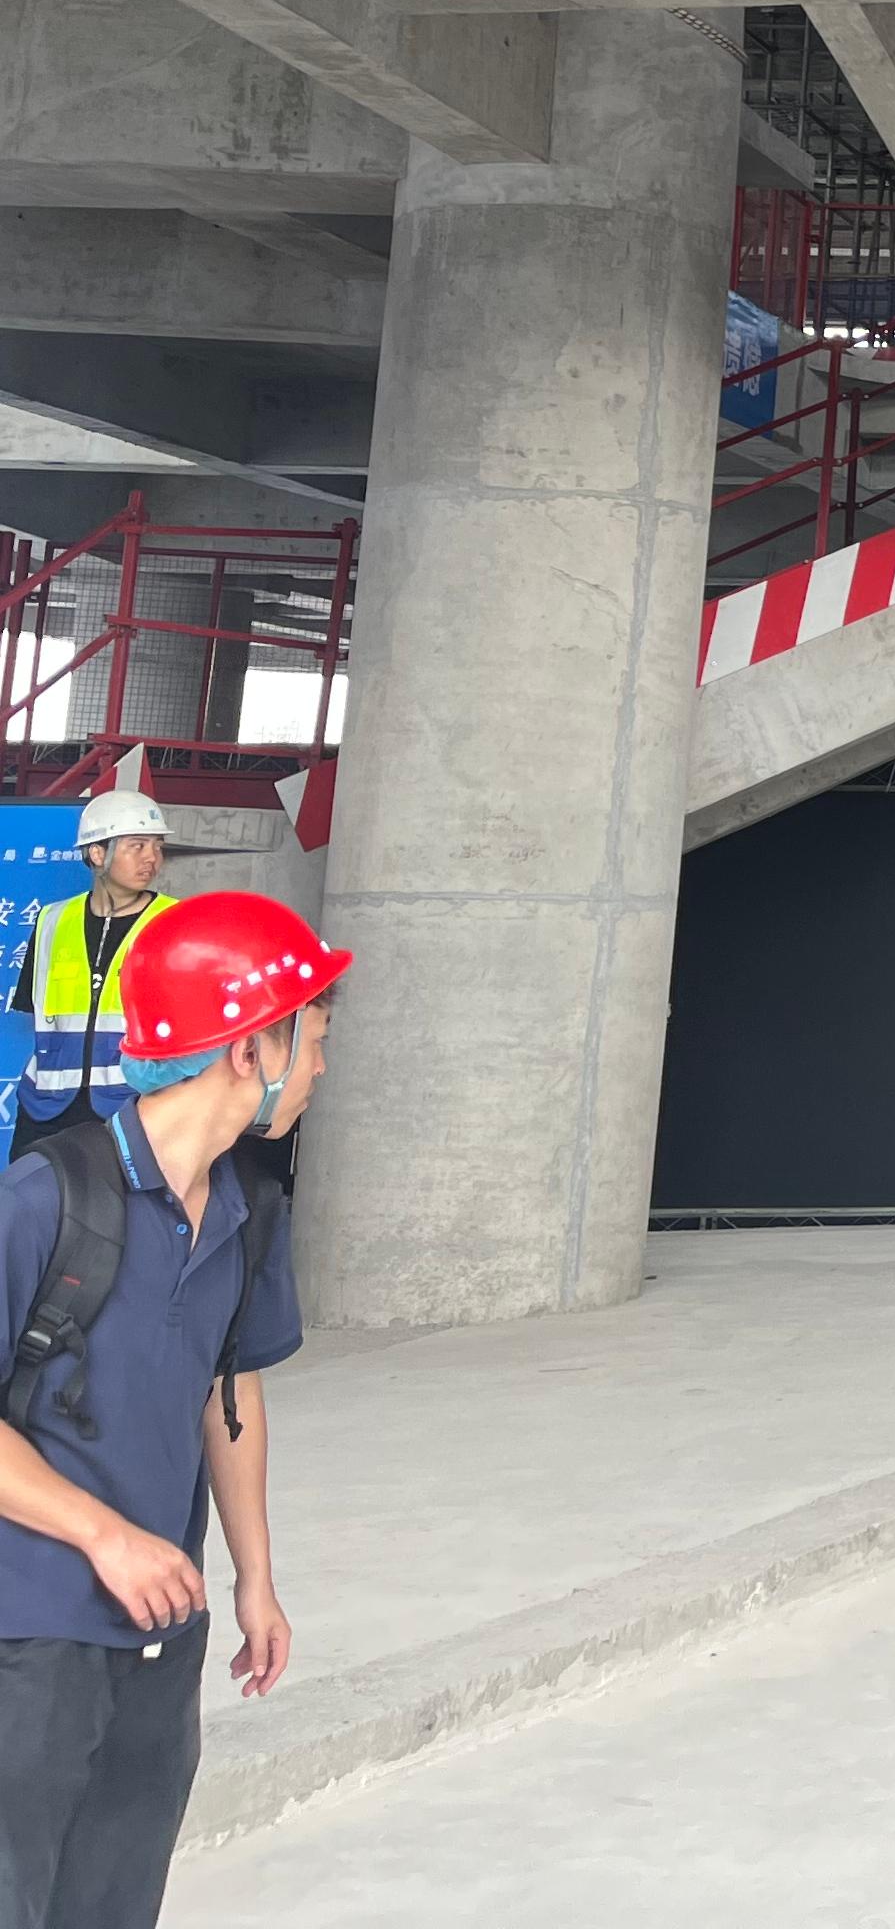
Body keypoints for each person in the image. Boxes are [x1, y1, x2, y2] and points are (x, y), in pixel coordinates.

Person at [0, 891, 343, 1924]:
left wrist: (255, 1580)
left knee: (113, 1899)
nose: (319, 1069)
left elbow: (230, 1392)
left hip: (161, 1625)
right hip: (30, 1627)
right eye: (314, 1041)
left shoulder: (250, 1210)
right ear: (249, 1049)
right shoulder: (42, 1201)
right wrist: (105, 1537)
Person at [11, 792, 182, 1151]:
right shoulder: (51, 921)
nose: (152, 858)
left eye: (157, 846)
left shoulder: (176, 924)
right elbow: (33, 1008)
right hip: (45, 1108)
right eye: (137, 846)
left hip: (133, 1108)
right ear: (97, 853)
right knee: (29, 1186)